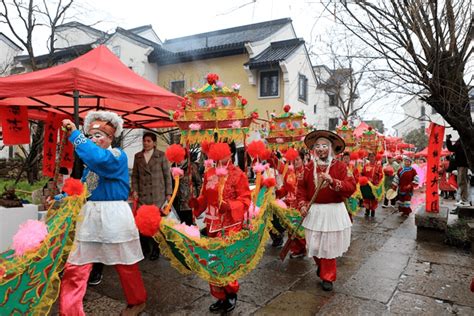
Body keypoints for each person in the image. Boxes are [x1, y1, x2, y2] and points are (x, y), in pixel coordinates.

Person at [59, 111, 147, 316]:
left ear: (110, 138)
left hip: (114, 216)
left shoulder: (116, 156)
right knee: (76, 266)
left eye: (99, 136)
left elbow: (98, 158)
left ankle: (137, 301)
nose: (94, 140)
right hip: (91, 217)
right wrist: (60, 199)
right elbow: (82, 191)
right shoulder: (91, 168)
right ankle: (70, 312)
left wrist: (76, 135)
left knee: (125, 263)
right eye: (91, 137)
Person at [189, 142, 251, 313]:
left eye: (222, 158)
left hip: (230, 223)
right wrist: (197, 203)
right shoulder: (209, 172)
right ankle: (219, 295)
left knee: (227, 259)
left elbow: (246, 199)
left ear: (229, 155)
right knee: (213, 259)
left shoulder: (238, 174)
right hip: (212, 222)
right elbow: (204, 196)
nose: (219, 162)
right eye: (215, 159)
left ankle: (231, 292)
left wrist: (230, 206)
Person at [297, 130, 356, 292]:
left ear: (331, 148)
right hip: (314, 212)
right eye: (317, 146)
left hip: (333, 211)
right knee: (314, 245)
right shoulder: (308, 168)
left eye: (324, 145)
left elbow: (351, 187)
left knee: (329, 247)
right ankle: (321, 266)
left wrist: (333, 181)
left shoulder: (341, 167)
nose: (321, 149)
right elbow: (301, 189)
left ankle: (327, 277)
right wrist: (302, 204)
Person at [131, 132, 172, 260]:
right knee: (142, 223)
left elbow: (167, 176)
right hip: (143, 196)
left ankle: (156, 249)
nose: (146, 143)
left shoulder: (161, 156)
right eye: (144, 141)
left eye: (148, 141)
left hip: (157, 196)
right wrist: (135, 190)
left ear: (154, 143)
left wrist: (168, 194)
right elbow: (135, 176)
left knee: (155, 224)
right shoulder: (137, 156)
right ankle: (145, 248)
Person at [276, 150, 306, 258]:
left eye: (297, 160)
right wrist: (278, 193)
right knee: (291, 228)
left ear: (303, 159)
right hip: (289, 204)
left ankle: (303, 248)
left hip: (301, 205)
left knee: (299, 228)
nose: (295, 162)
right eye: (293, 160)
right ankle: (296, 249)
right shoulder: (289, 173)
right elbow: (286, 188)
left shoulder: (307, 172)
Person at [174, 152, 202, 225]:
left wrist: (198, 199)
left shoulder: (191, 167)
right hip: (179, 204)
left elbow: (199, 183)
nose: (178, 160)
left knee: (191, 225)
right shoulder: (174, 167)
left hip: (190, 203)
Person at [446, 135, 471, 206]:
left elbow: (452, 148)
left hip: (464, 164)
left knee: (463, 182)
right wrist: (448, 140)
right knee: (461, 182)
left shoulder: (466, 139)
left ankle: (465, 201)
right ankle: (463, 200)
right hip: (461, 164)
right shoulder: (461, 140)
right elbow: (452, 148)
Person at [360, 152, 383, 217]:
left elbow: (381, 175)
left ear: (375, 157)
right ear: (368, 157)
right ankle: (367, 211)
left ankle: (373, 211)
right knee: (366, 198)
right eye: (370, 156)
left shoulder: (378, 166)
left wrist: (378, 175)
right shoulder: (366, 165)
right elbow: (363, 173)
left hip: (374, 185)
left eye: (373, 156)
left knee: (373, 199)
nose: (372, 158)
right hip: (366, 184)